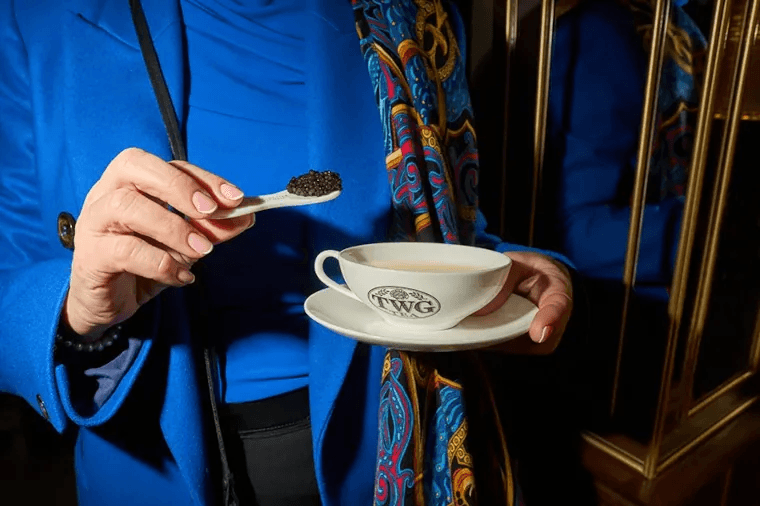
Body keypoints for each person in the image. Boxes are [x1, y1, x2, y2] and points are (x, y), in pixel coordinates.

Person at [0, 0, 574, 504]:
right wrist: (80, 310)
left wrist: (501, 267)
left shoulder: (418, 13)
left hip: (387, 457)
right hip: (145, 471)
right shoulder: (32, 14)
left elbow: (442, 218)